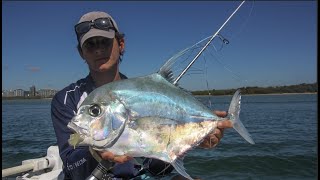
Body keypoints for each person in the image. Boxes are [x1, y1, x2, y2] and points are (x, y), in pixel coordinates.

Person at [51, 11, 233, 180]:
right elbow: (71, 165)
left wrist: (190, 140)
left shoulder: (147, 93)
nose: (98, 50)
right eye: (90, 45)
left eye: (104, 42)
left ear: (121, 44)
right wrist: (94, 154)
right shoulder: (66, 100)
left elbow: (155, 165)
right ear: (81, 52)